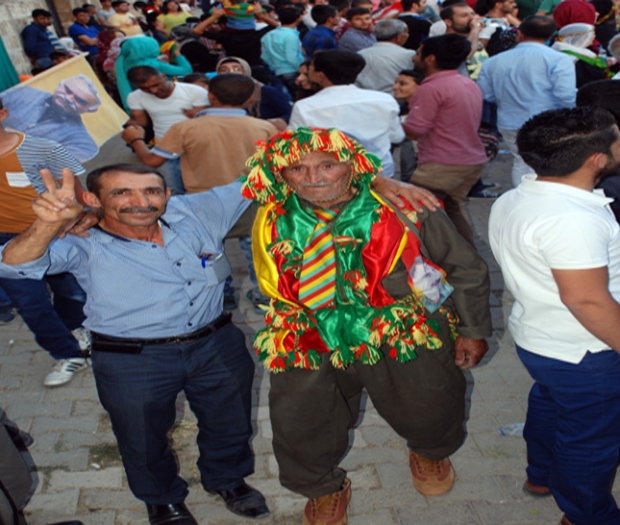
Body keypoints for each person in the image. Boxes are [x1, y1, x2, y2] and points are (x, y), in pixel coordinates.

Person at [241, 126, 492, 525]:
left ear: (352, 166)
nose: (313, 177)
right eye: (297, 168)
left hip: (401, 328)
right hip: (307, 333)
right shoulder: (269, 212)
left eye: (328, 165)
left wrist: (473, 330)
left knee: (430, 399)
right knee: (300, 417)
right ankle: (322, 486)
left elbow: (464, 268)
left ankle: (429, 451)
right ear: (280, 174)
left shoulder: (407, 207)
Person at [0, 163, 271, 525]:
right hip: (132, 358)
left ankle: (228, 479)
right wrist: (48, 223)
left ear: (167, 194)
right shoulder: (82, 241)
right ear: (93, 199)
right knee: (141, 436)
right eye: (121, 192)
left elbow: (262, 175)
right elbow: (12, 266)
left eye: (151, 191)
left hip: (215, 343)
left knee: (230, 420)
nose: (140, 201)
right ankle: (162, 499)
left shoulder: (195, 211)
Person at [488, 106, 620, 525]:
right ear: (597, 159)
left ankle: (541, 474)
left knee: (549, 403)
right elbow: (586, 301)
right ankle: (587, 516)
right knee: (591, 441)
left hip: (540, 338)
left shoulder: (515, 197)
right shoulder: (572, 220)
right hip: (587, 350)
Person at [122, 74, 278, 312]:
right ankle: (263, 295)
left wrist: (135, 139)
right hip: (252, 201)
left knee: (210, 252)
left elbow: (151, 160)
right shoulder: (264, 127)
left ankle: (223, 296)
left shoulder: (185, 128)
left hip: (204, 203)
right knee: (257, 248)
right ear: (249, 99)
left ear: (210, 97)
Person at [0, 97, 90, 388]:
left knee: (71, 293)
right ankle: (67, 353)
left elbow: (78, 193)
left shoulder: (43, 148)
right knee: (31, 304)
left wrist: (75, 218)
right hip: (7, 247)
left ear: (3, 113)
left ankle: (78, 328)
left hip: (52, 234)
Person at [404, 34, 487, 244]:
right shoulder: (467, 83)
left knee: (410, 209)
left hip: (442, 164)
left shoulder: (430, 88)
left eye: (418, 53)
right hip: (470, 159)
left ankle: (425, 257)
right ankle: (466, 255)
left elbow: (415, 129)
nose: (414, 57)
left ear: (430, 59)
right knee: (453, 208)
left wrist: (390, 125)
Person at [477, 15, 576, 187]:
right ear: (550, 36)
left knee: (521, 161)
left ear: (520, 34)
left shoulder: (493, 61)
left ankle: (524, 196)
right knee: (545, 163)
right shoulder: (559, 59)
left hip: (509, 120)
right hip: (548, 120)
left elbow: (486, 94)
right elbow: (565, 95)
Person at [289, 49, 404, 178]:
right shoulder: (385, 100)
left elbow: (295, 145)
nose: (309, 68)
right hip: (381, 173)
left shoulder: (305, 107)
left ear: (320, 75)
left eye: (311, 66)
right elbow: (397, 137)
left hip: (333, 177)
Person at [125, 66, 209, 194]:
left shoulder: (194, 91)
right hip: (163, 144)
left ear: (164, 76)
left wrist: (196, 114)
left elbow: (206, 119)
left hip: (195, 143)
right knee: (172, 189)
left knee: (202, 187)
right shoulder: (135, 97)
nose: (153, 90)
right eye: (144, 88)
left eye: (156, 84)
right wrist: (129, 128)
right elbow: (140, 121)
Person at [0, 75, 101, 163]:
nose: (68, 98)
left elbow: (66, 167)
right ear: (60, 85)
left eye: (80, 100)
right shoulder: (24, 93)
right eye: (68, 90)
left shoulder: (81, 140)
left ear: (91, 110)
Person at [114, 36, 193, 112]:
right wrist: (178, 54)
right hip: (160, 96)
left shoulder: (123, 62)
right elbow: (186, 70)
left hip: (141, 98)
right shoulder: (151, 63)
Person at [215, 57, 292, 127]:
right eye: (224, 70)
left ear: (246, 71)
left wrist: (273, 122)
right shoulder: (216, 94)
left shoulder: (266, 91)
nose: (230, 72)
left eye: (237, 69)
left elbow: (289, 113)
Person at [355, 19, 415, 93]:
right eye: (406, 32)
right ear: (398, 37)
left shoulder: (360, 54)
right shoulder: (410, 55)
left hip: (364, 96)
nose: (407, 35)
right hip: (395, 96)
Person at [260, 6, 305, 99]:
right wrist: (303, 70)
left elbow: (264, 56)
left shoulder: (268, 35)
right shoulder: (291, 36)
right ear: (298, 18)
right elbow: (292, 57)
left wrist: (274, 67)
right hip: (292, 71)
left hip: (276, 72)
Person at [551, 23, 612, 88]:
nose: (594, 37)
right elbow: (580, 81)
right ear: (583, 38)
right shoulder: (570, 57)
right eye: (592, 35)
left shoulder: (583, 51)